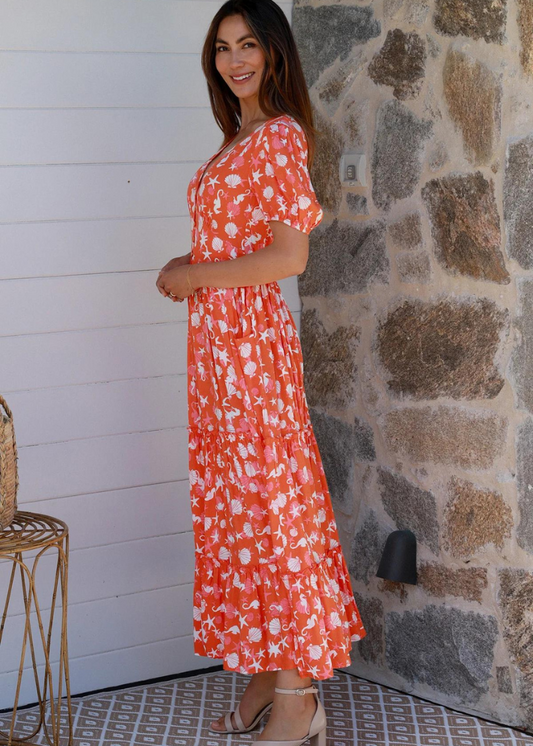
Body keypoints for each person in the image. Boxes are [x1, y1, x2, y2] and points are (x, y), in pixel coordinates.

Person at [156, 1, 366, 744]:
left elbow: (288, 257)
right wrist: (193, 272)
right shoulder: (236, 138)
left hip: (249, 353)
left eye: (248, 44)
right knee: (243, 509)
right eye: (221, 48)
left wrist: (197, 273)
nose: (234, 60)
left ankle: (298, 697)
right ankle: (267, 671)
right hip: (219, 353)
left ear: (274, 52)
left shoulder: (276, 136)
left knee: (272, 509)